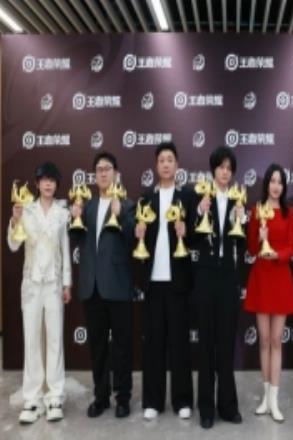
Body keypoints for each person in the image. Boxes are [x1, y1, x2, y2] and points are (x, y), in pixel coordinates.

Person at [70, 152, 135, 419]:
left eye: (108, 168)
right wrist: (73, 217)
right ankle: (101, 397)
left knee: (122, 346)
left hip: (118, 287)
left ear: (116, 173)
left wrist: (121, 217)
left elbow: (134, 240)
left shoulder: (128, 205)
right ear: (94, 175)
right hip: (92, 287)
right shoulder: (86, 206)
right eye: (99, 169)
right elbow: (76, 239)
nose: (103, 173)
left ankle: (123, 397)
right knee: (97, 347)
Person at [7, 162, 71, 424]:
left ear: (56, 184)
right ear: (36, 183)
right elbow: (13, 245)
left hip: (54, 284)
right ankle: (32, 399)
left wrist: (67, 283)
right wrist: (15, 220)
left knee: (55, 340)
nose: (48, 184)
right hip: (32, 285)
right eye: (44, 179)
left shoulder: (62, 212)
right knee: (32, 340)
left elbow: (65, 248)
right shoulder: (26, 209)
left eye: (52, 180)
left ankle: (55, 396)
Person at [135, 142, 194, 421]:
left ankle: (182, 400)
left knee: (180, 343)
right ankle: (153, 401)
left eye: (170, 159)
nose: (166, 164)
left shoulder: (188, 196)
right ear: (156, 166)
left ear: (177, 165)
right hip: (153, 282)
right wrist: (138, 233)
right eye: (162, 160)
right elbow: (138, 239)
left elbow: (198, 235)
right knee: (154, 344)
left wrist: (187, 230)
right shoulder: (146, 198)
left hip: (178, 281)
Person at [190, 146, 246, 429]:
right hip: (205, 277)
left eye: (229, 168)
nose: (225, 172)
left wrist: (242, 219)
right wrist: (200, 211)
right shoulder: (201, 196)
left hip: (228, 278)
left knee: (226, 344)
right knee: (206, 345)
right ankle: (206, 408)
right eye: (221, 167)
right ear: (213, 169)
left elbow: (242, 243)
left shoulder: (238, 199)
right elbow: (190, 238)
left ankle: (228, 406)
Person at [245, 163, 293, 423]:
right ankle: (265, 398)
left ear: (283, 186)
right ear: (266, 184)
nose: (276, 186)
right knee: (264, 340)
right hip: (261, 278)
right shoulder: (256, 211)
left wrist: (277, 254)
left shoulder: (290, 213)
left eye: (280, 182)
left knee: (277, 340)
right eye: (272, 181)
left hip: (281, 276)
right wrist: (259, 235)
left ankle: (275, 400)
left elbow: (292, 246)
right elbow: (252, 248)